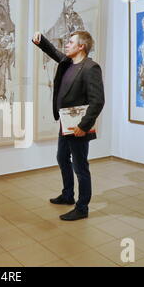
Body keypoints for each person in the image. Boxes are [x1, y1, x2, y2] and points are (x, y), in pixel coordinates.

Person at [32, 31, 105, 221]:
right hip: (65, 123)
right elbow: (55, 53)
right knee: (62, 157)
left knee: (81, 166)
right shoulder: (68, 63)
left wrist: (84, 125)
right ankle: (67, 195)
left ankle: (82, 208)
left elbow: (97, 101)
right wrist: (41, 42)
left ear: (81, 46)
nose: (67, 44)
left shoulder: (91, 68)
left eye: (71, 42)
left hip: (79, 126)